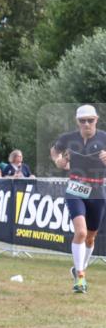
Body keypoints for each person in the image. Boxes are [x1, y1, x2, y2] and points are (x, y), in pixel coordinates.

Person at [50, 105, 106, 294]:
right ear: (77, 122)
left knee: (91, 237)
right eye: (83, 121)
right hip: (76, 187)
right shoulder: (68, 138)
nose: (87, 124)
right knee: (80, 232)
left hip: (97, 189)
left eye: (90, 120)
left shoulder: (104, 137)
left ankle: (78, 268)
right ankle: (80, 277)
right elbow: (55, 151)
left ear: (96, 120)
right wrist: (58, 160)